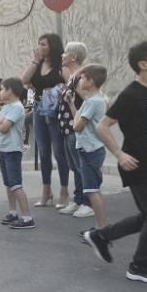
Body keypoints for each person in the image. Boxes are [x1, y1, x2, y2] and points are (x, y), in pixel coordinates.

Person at [84, 41, 147, 285]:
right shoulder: (131, 94)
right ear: (143, 64)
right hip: (136, 163)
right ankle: (140, 266)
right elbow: (102, 126)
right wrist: (119, 154)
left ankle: (101, 236)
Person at [22, 33, 69, 208]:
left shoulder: (60, 65)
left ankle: (64, 191)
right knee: (43, 152)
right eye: (39, 44)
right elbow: (24, 80)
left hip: (56, 111)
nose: (40, 47)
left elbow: (71, 82)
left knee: (59, 151)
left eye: (44, 44)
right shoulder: (39, 63)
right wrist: (35, 61)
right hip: (39, 110)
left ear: (52, 46)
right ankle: (46, 190)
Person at [68, 64, 109, 230]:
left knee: (92, 190)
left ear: (91, 81)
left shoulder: (94, 102)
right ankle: (99, 227)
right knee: (91, 189)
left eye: (83, 78)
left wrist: (75, 122)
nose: (80, 80)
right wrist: (72, 106)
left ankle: (101, 228)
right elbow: (77, 119)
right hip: (87, 149)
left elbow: (77, 126)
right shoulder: (89, 101)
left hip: (91, 150)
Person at [0, 78, 34, 229]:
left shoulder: (17, 107)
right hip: (2, 148)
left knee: (16, 184)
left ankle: (27, 217)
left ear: (10, 90)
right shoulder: (5, 107)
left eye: (2, 89)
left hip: (12, 150)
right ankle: (13, 212)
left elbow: (3, 128)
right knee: (8, 184)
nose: (0, 92)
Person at [56, 42, 90, 217]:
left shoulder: (80, 77)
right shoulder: (71, 77)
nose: (62, 55)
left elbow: (89, 101)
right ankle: (78, 199)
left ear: (73, 57)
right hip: (67, 128)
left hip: (75, 127)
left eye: (65, 53)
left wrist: (81, 120)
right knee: (75, 167)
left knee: (80, 165)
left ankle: (87, 202)